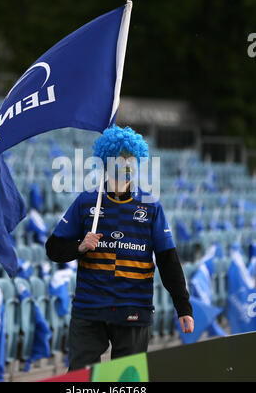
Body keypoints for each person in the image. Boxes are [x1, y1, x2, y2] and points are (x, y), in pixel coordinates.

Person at [45, 125, 194, 371]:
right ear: (106, 161)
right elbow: (53, 249)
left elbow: (168, 261)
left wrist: (183, 307)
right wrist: (80, 247)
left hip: (134, 309)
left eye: (131, 158)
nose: (126, 164)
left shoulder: (150, 206)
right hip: (89, 309)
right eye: (120, 157)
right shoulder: (86, 201)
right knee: (81, 381)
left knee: (125, 383)